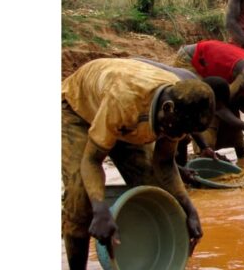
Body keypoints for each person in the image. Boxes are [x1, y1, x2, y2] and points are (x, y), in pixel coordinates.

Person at [62, 58, 214, 269]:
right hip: (79, 109)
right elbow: (92, 160)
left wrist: (189, 210)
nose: (179, 136)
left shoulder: (176, 109)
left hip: (124, 121)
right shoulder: (125, 100)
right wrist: (99, 208)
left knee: (154, 192)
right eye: (178, 130)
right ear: (167, 108)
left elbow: (165, 163)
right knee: (81, 201)